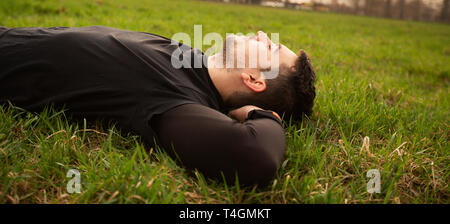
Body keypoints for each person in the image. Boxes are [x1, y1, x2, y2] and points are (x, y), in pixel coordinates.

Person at [0, 25, 316, 185]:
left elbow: (256, 157)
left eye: (270, 46)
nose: (262, 34)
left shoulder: (177, 99)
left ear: (254, 79)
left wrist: (262, 114)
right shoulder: (191, 60)